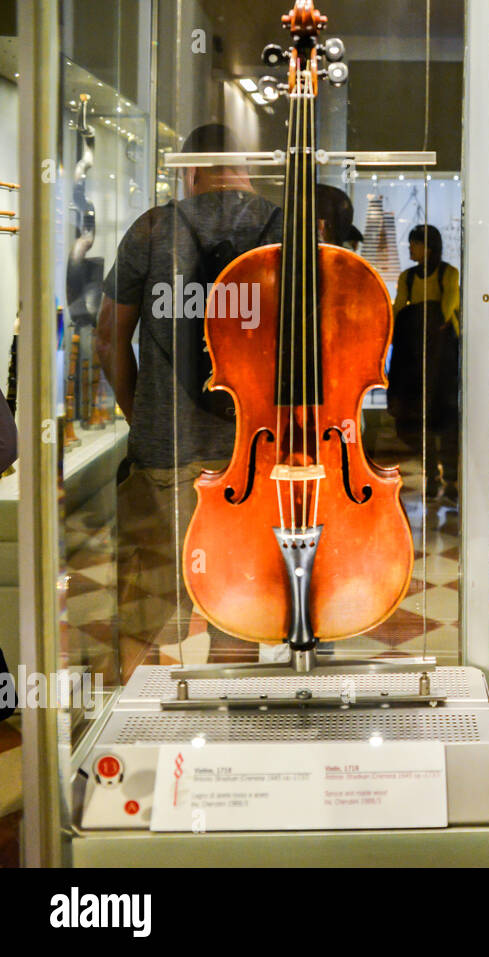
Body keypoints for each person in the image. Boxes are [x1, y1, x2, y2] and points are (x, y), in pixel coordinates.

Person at [94, 123, 282, 668]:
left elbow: (108, 339)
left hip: (164, 452)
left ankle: (139, 747)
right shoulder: (279, 225)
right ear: (245, 167)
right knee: (234, 618)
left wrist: (145, 418)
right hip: (255, 454)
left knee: (144, 618)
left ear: (189, 171)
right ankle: (229, 744)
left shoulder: (153, 229)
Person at [388, 224, 461, 500]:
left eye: (414, 244)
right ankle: (432, 475)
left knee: (446, 419)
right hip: (416, 356)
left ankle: (451, 477)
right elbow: (398, 309)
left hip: (442, 358)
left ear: (428, 247)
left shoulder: (448, 274)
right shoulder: (407, 277)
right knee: (424, 421)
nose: (410, 249)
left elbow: (447, 309)